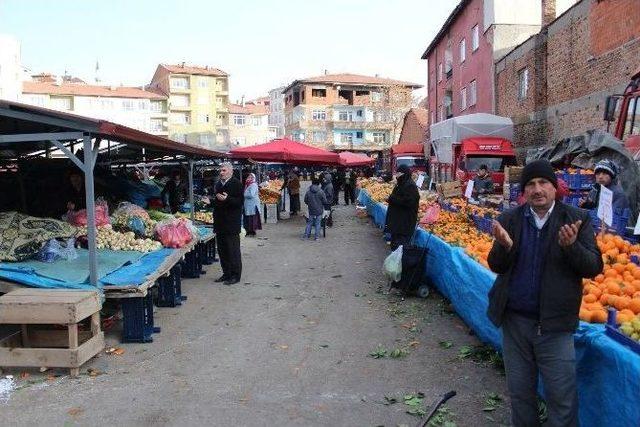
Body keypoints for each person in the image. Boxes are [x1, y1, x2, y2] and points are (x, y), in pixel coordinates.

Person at [487, 159, 602, 427]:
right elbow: (496, 265)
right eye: (530, 184)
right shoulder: (510, 220)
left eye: (543, 183)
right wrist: (503, 246)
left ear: (555, 187)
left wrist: (571, 247)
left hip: (555, 327)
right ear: (523, 191)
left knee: (561, 398)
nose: (537, 189)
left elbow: (594, 267)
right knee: (520, 394)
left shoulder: (577, 220)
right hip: (516, 324)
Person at [213, 162, 244, 285]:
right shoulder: (218, 184)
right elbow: (217, 202)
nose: (221, 172)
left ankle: (235, 275)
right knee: (222, 251)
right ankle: (226, 273)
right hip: (220, 223)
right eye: (220, 170)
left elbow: (239, 202)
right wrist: (210, 202)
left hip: (231, 224)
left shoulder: (237, 184)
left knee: (233, 251)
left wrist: (227, 199)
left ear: (231, 171)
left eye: (224, 170)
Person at [384, 164, 419, 251]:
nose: (396, 175)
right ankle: (397, 263)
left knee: (401, 247)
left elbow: (408, 202)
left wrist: (391, 199)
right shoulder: (401, 183)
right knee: (396, 246)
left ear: (404, 173)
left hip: (404, 224)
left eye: (398, 173)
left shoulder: (410, 185)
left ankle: (400, 263)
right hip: (398, 223)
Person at [242, 173, 261, 237]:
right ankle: (249, 231)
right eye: (248, 177)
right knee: (248, 218)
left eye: (251, 177)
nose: (249, 178)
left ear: (253, 178)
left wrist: (244, 194)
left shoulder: (253, 185)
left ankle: (252, 231)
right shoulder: (247, 184)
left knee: (252, 218)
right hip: (248, 204)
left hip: (252, 204)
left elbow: (251, 195)